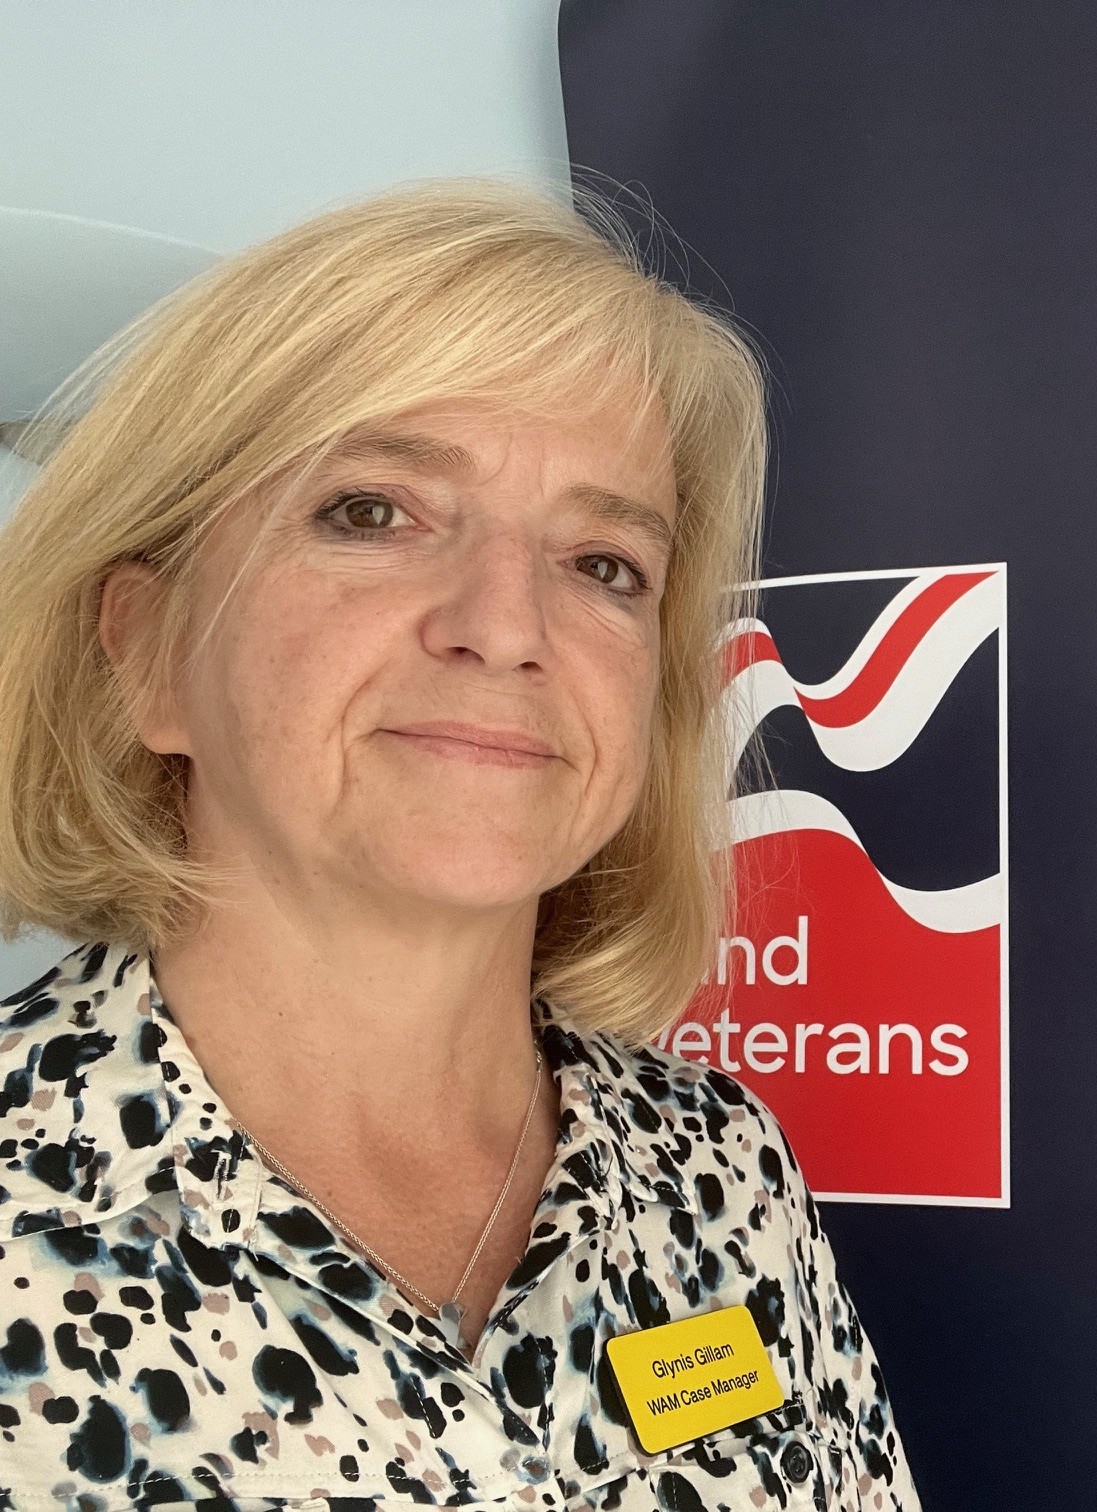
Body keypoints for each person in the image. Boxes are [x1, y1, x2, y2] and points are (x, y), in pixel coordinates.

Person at [0, 181, 918, 1512]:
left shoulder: (719, 1163)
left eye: (605, 562)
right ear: (146, 651)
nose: (505, 625)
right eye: (373, 511)